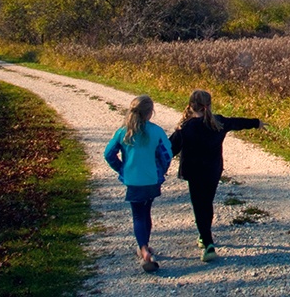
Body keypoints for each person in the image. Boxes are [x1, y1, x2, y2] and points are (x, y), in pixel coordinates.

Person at [170, 89, 264, 262]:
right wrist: (256, 122)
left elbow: (169, 149)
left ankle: (208, 242)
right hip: (213, 170)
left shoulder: (185, 128)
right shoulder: (218, 122)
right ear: (209, 105)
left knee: (199, 205)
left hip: (194, 172)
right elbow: (237, 122)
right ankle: (204, 235)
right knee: (208, 202)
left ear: (191, 106)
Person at [104, 95, 172, 273]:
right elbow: (166, 155)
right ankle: (145, 248)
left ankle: (143, 249)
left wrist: (121, 169)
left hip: (133, 180)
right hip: (151, 179)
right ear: (150, 113)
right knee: (146, 212)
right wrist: (162, 170)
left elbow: (108, 154)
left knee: (138, 215)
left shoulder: (124, 132)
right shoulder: (156, 132)